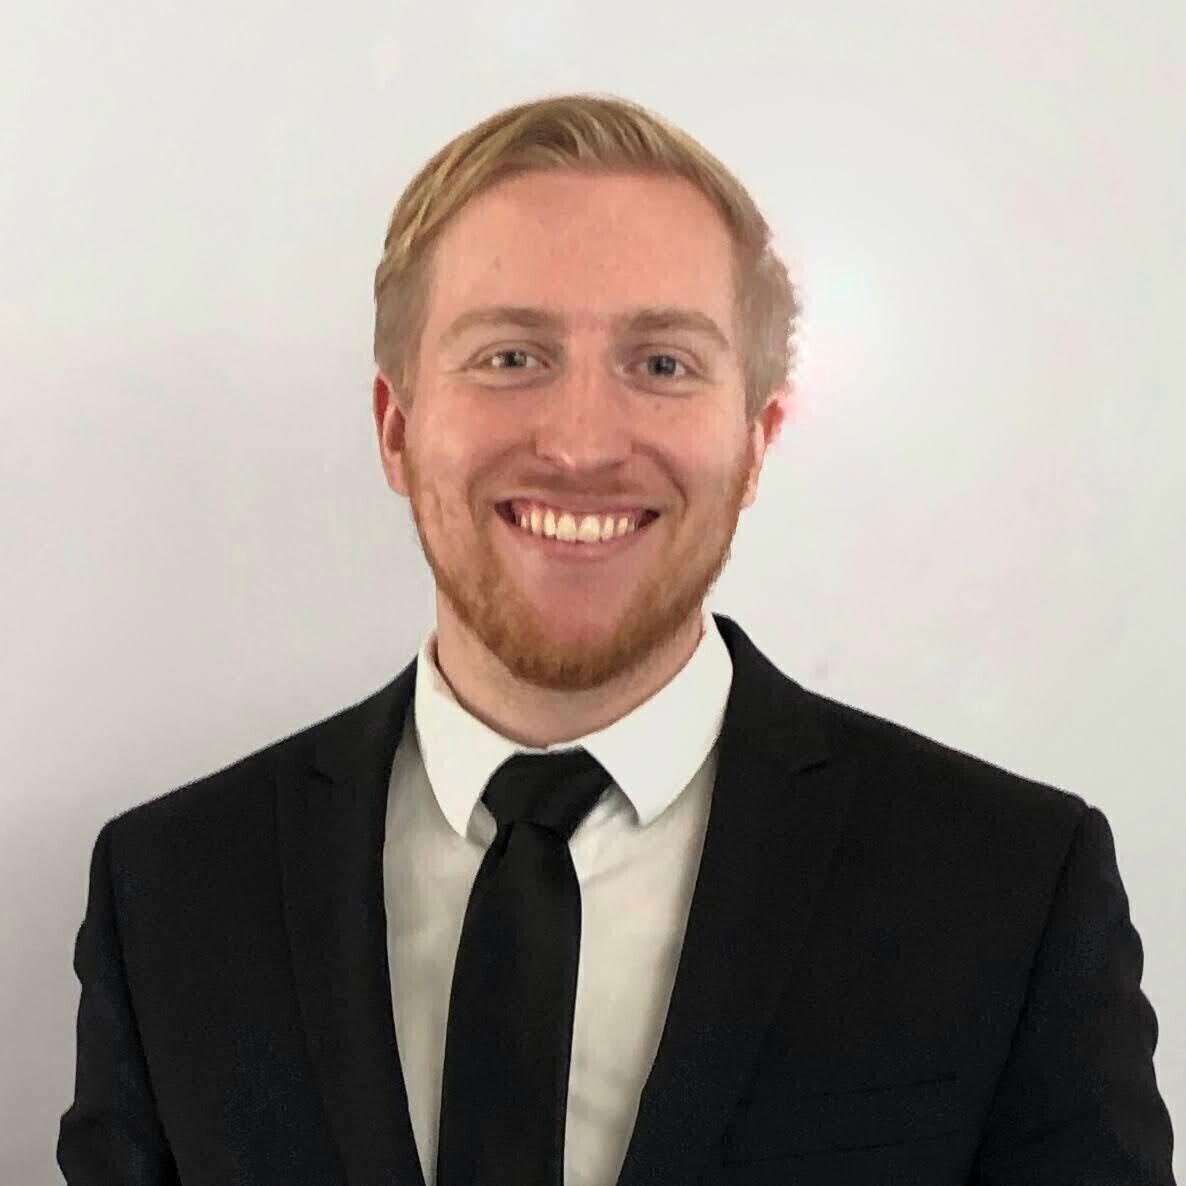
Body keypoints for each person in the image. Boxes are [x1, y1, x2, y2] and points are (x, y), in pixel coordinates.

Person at [58, 93, 1175, 1186]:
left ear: (755, 441)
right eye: (511, 357)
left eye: (662, 364)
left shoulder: (1010, 888)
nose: (583, 444)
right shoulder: (170, 893)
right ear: (397, 430)